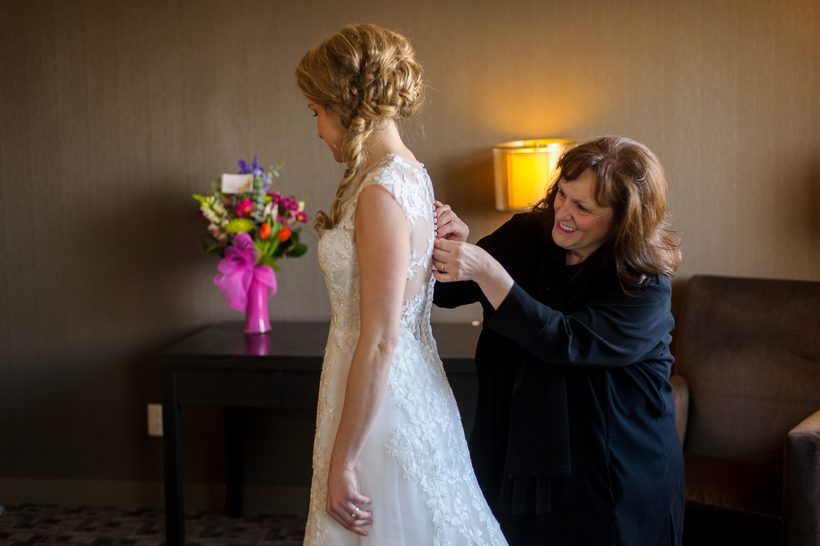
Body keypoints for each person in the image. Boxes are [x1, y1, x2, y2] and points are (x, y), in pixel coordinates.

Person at [295, 23, 508, 546]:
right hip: (390, 383)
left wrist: (344, 460)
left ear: (344, 104)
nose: (318, 128)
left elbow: (383, 335)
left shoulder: (380, 190)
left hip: (382, 400)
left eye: (316, 112)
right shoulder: (412, 174)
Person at [433, 135, 685, 545]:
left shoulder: (644, 288)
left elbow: (564, 341)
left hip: (610, 467)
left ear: (624, 218)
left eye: (583, 208)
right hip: (515, 451)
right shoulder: (529, 234)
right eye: (562, 195)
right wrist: (453, 247)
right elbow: (448, 293)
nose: (563, 213)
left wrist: (491, 274)